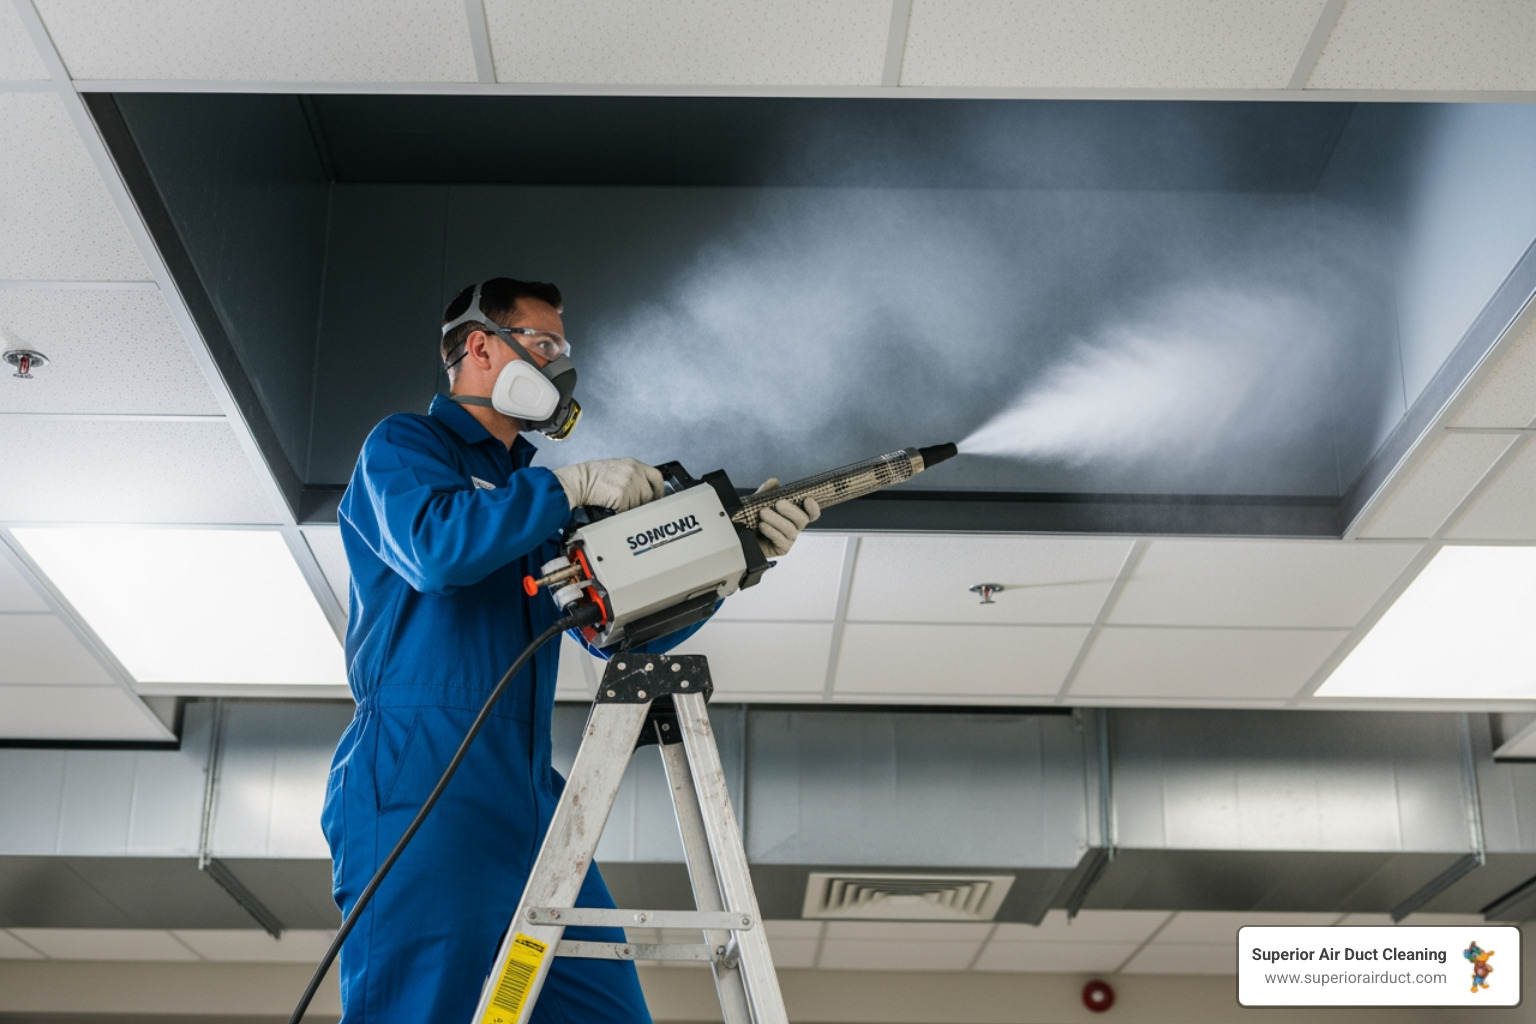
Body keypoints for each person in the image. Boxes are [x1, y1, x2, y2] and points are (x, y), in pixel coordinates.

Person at [320, 278, 819, 1023]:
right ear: (480, 345)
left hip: (528, 800)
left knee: (606, 1010)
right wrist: (568, 486)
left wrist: (729, 568)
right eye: (545, 345)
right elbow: (437, 549)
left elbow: (604, 624)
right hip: (423, 783)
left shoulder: (527, 490)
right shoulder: (406, 446)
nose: (557, 368)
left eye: (562, 350)